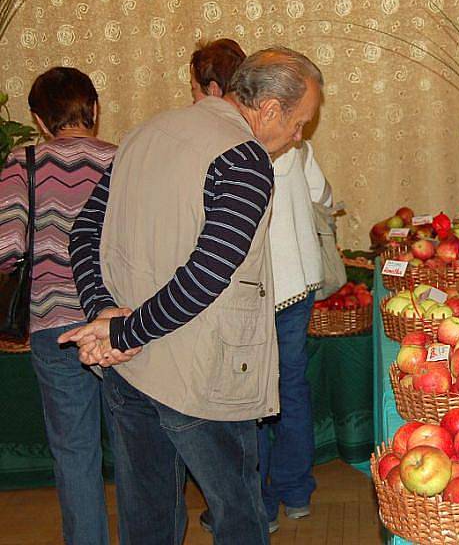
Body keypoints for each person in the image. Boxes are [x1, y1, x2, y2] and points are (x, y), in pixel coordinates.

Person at [59, 47, 324, 545]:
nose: (297, 137)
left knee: (147, 518)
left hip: (130, 369)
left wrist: (106, 316)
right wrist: (117, 329)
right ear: (268, 109)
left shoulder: (144, 132)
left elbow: (82, 231)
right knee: (238, 514)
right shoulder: (246, 160)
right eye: (299, 124)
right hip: (202, 378)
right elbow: (206, 275)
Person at [191, 40, 332, 534]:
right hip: (299, 286)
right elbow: (325, 197)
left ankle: (257, 503)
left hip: (254, 291)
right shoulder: (295, 145)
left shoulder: (225, 150)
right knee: (291, 387)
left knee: (251, 396)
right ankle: (295, 491)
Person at [0, 67, 117, 545]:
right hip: (119, 325)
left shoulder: (20, 160)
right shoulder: (124, 157)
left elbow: (7, 248)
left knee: (74, 453)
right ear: (93, 108)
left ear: (38, 119)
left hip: (53, 326)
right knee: (139, 448)